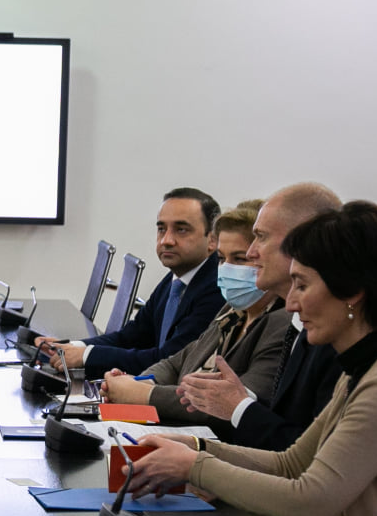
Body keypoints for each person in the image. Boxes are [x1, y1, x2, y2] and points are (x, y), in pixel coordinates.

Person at [125, 202, 377, 516]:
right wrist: (194, 447)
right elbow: (292, 463)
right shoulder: (364, 370)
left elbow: (309, 501)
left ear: (352, 292)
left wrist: (193, 466)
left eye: (302, 286)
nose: (293, 304)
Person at [175, 182, 344, 448]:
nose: (253, 252)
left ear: (302, 242)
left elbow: (301, 456)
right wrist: (199, 452)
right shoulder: (296, 324)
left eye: (261, 237)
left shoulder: (331, 341)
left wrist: (236, 410)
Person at [99, 201, 293, 429]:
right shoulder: (232, 311)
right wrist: (139, 382)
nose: (227, 268)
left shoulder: (282, 324)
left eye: (240, 259)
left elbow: (228, 405)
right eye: (221, 259)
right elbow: (176, 362)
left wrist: (143, 394)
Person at [37, 187, 226, 379]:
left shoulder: (217, 288)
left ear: (212, 240)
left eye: (181, 230)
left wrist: (86, 355)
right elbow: (130, 337)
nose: (166, 240)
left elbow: (169, 360)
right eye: (161, 229)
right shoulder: (175, 279)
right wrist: (71, 347)